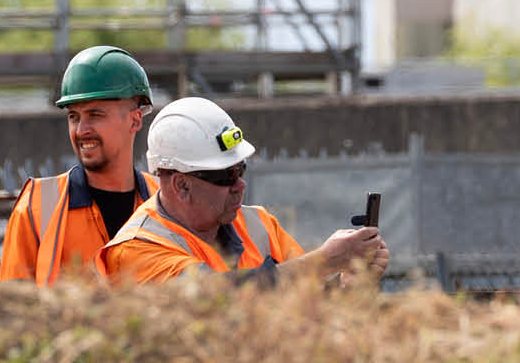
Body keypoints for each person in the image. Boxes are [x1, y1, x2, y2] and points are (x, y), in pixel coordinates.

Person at [97, 97, 388, 286]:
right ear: (181, 185)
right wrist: (324, 261)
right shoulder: (136, 249)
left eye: (241, 170)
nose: (240, 185)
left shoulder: (258, 225)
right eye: (226, 176)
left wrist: (348, 286)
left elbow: (306, 308)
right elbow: (214, 300)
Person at [0, 45, 159, 284]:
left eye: (95, 114)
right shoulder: (38, 206)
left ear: (135, 120)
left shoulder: (163, 201)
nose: (81, 130)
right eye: (74, 116)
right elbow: (11, 309)